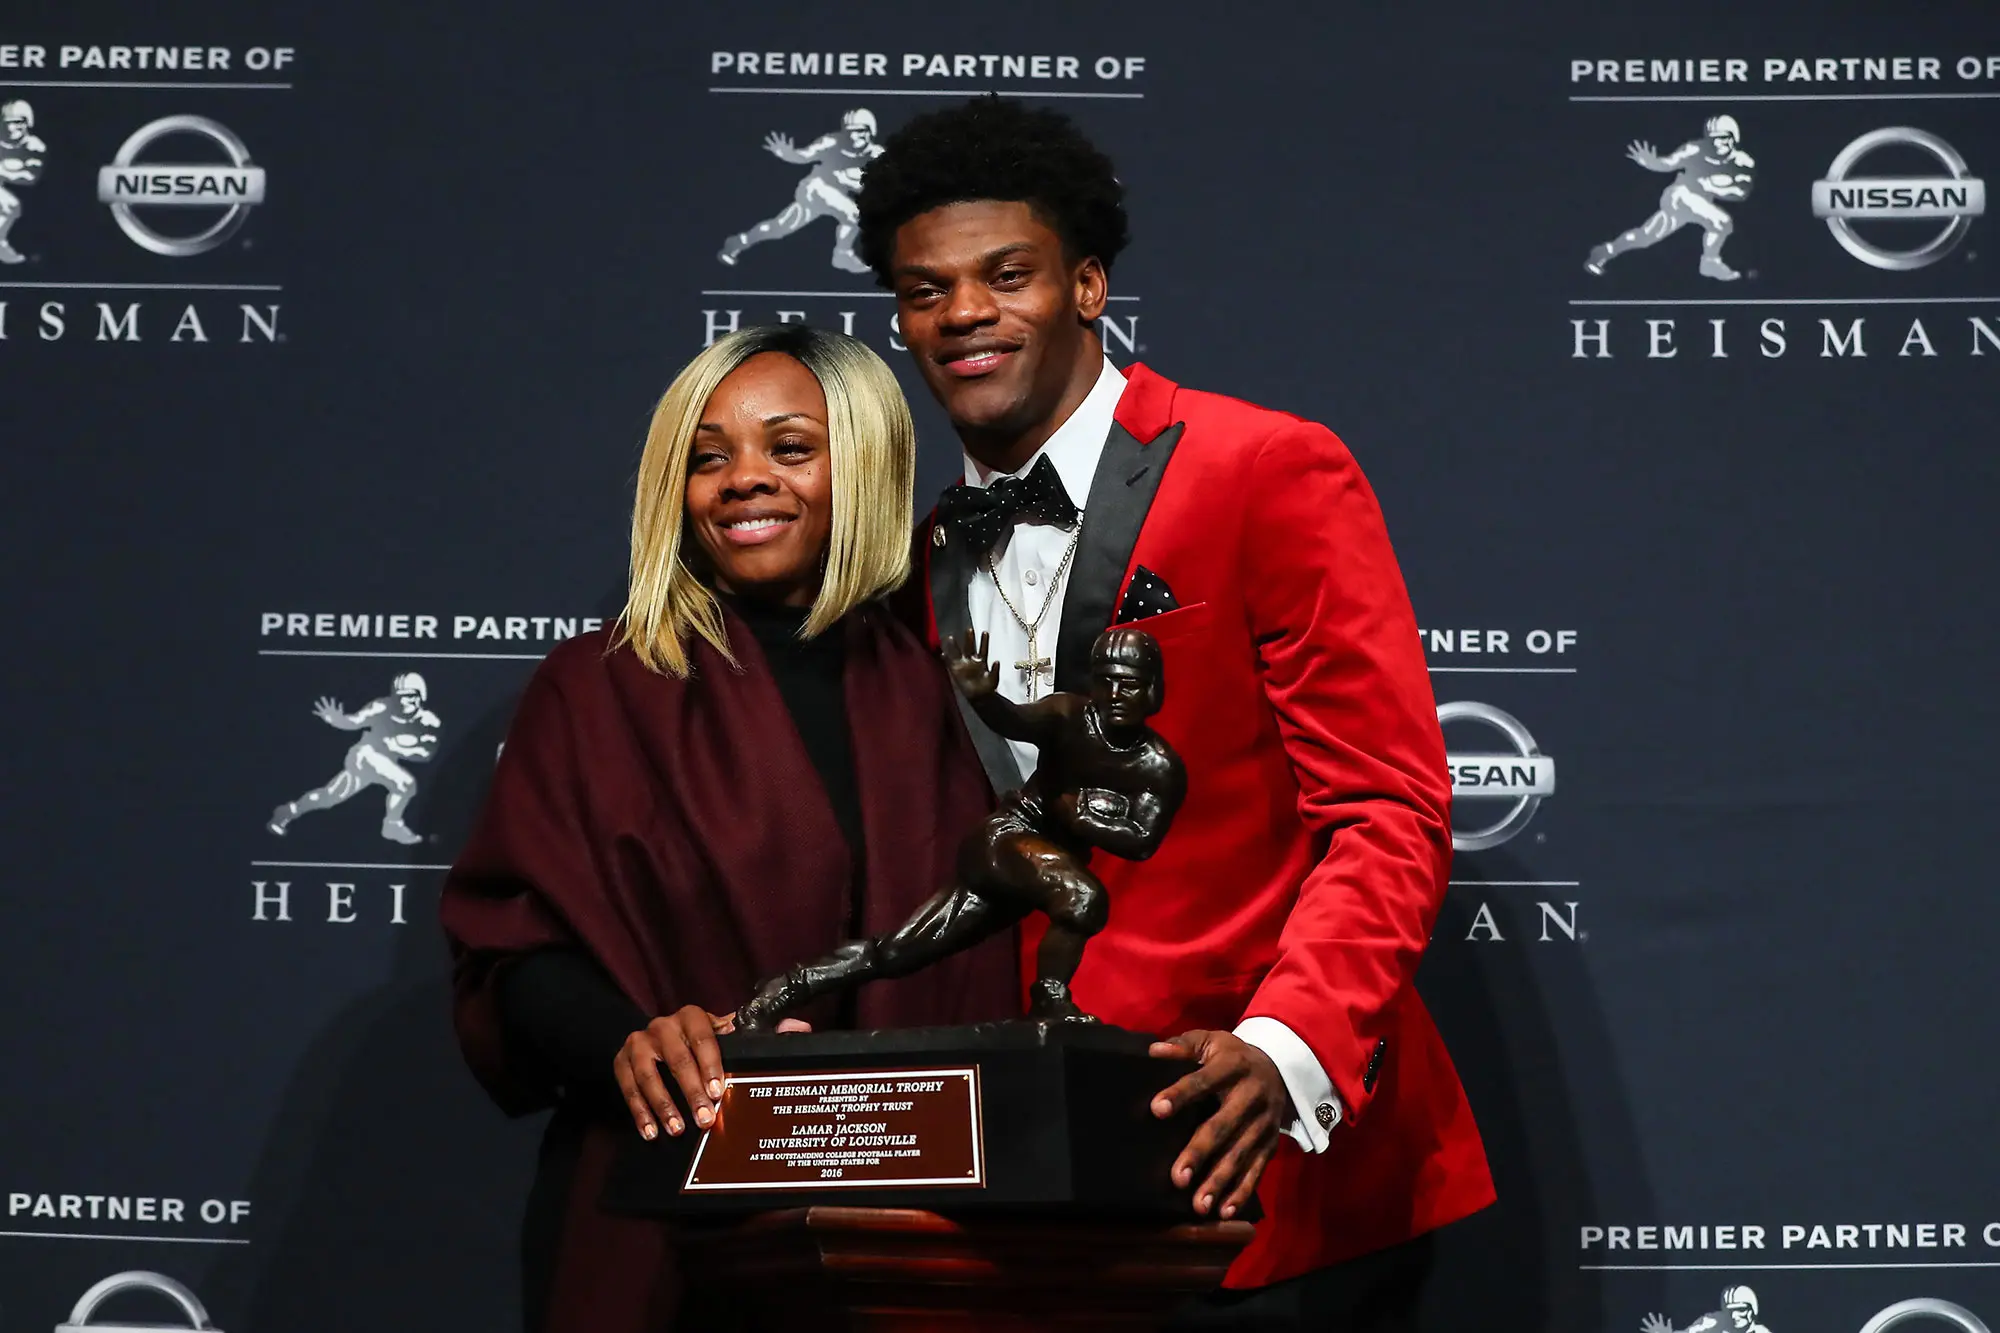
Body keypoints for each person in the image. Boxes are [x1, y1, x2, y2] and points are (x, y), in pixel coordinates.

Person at [856, 96, 1496, 1330]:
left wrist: (1284, 1046)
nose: (963, 314)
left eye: (1006, 275)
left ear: (1087, 285)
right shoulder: (921, 551)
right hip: (1047, 1185)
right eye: (924, 290)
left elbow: (1385, 808)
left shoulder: (1264, 467)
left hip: (1283, 1172)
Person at [439, 324, 1017, 1333]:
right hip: (665, 1212)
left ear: (867, 462)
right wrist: (628, 1035)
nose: (743, 480)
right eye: (709, 457)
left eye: (788, 448)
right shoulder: (602, 686)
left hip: (912, 1232)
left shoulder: (948, 692)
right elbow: (510, 952)